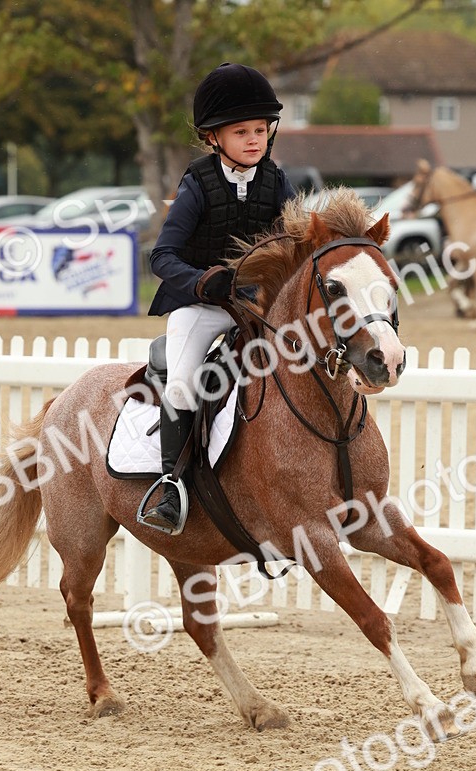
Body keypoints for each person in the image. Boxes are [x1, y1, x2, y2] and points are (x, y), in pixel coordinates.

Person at [138, 63, 295, 535]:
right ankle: (171, 485)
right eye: (241, 131)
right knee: (185, 383)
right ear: (212, 138)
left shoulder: (276, 181)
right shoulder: (197, 184)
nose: (255, 139)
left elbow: (294, 240)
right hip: (200, 306)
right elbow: (161, 256)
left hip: (253, 307)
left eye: (261, 130)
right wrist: (204, 282)